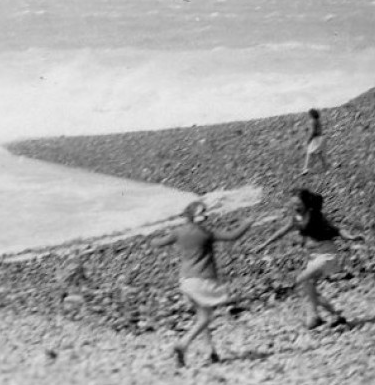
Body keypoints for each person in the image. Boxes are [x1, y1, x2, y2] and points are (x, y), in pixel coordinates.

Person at [150, 201, 254, 367]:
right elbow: (232, 236)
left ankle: (210, 352)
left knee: (202, 316)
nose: (206, 215)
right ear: (194, 215)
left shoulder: (178, 232)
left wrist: (152, 238)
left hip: (186, 281)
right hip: (203, 280)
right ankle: (183, 344)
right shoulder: (206, 233)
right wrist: (247, 224)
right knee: (210, 314)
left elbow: (158, 242)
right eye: (202, 213)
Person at [257, 189, 351, 330]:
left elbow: (336, 230)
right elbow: (281, 232)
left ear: (306, 204)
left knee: (301, 279)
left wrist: (350, 237)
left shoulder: (315, 216)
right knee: (308, 288)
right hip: (313, 256)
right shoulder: (296, 218)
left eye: (298, 204)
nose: (296, 207)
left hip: (326, 254)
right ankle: (334, 315)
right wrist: (264, 244)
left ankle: (314, 315)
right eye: (293, 204)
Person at [301, 108, 328, 175]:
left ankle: (306, 169)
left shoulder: (312, 121)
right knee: (320, 153)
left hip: (316, 139)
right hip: (321, 138)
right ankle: (326, 168)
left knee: (309, 153)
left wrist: (308, 140)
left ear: (311, 114)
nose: (308, 115)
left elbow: (313, 132)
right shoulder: (318, 121)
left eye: (309, 114)